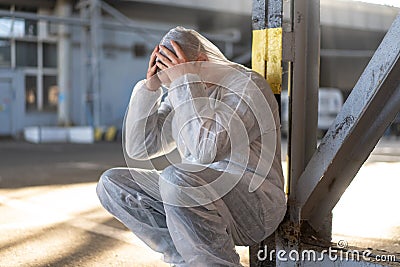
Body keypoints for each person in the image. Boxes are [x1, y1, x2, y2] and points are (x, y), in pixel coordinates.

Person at [96, 26, 286, 267]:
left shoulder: (247, 86)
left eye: (177, 76)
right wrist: (151, 88)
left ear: (201, 60)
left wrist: (184, 82)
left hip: (254, 204)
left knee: (177, 178)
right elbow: (141, 148)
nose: (173, 86)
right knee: (112, 183)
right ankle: (184, 260)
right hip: (194, 193)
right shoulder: (184, 91)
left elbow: (207, 149)